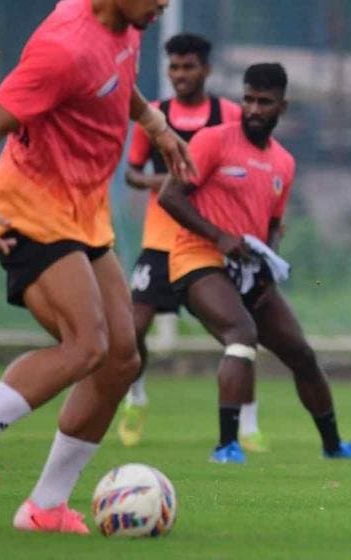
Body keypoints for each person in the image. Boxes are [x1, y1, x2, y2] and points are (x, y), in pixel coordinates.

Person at [0, 0, 191, 534]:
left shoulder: (125, 27)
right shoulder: (63, 43)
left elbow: (116, 80)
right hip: (28, 206)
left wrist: (153, 122)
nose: (163, 2)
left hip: (82, 211)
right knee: (88, 343)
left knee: (123, 359)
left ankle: (45, 507)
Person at [158, 62, 351, 465]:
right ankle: (226, 445)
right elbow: (171, 196)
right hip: (197, 260)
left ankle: (334, 445)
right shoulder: (212, 141)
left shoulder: (284, 164)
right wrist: (219, 236)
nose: (254, 109)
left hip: (248, 272)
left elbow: (272, 225)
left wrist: (267, 263)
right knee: (241, 333)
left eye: (264, 102)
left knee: (302, 354)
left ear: (282, 108)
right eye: (249, 100)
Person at [117, 32, 252, 449]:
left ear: (206, 70)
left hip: (210, 243)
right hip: (160, 239)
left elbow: (245, 161)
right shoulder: (154, 115)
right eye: (173, 67)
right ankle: (136, 396)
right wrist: (172, 181)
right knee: (132, 328)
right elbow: (132, 172)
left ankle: (248, 422)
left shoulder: (228, 115)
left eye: (188, 66)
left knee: (240, 333)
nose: (180, 75)